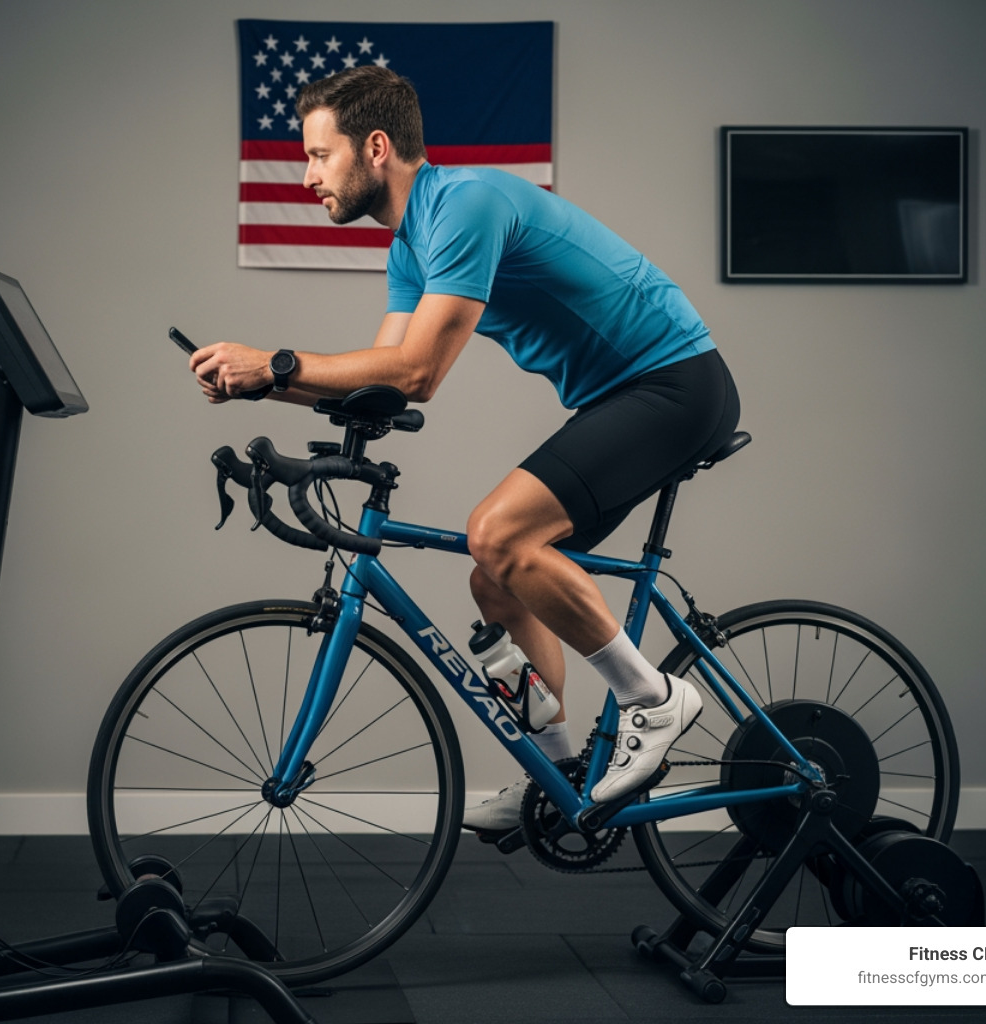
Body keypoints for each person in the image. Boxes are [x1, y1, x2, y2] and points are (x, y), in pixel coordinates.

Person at [189, 66, 739, 831]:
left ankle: (654, 697)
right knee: (497, 581)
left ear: (375, 147)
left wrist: (275, 363)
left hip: (675, 383)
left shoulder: (466, 204)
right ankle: (550, 774)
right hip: (621, 397)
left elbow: (418, 371)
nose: (307, 174)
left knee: (498, 531)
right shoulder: (411, 245)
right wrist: (260, 387)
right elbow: (378, 383)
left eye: (319, 155)